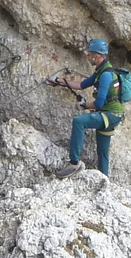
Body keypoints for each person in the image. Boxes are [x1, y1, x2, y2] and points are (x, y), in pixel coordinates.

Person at [48, 37, 125, 175]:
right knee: (102, 152)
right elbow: (81, 85)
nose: (88, 57)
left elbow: (99, 103)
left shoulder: (106, 75)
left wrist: (86, 105)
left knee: (79, 121)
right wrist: (59, 81)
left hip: (110, 114)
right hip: (113, 115)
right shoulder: (100, 72)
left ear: (96, 56)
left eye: (89, 55)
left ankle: (74, 163)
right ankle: (104, 180)